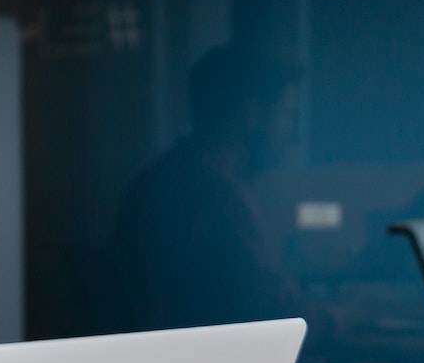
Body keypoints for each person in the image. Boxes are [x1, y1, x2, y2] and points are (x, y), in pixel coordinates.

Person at [112, 44, 308, 332]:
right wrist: (349, 313)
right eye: (287, 114)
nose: (293, 132)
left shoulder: (153, 181)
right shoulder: (217, 197)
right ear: (253, 115)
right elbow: (274, 313)